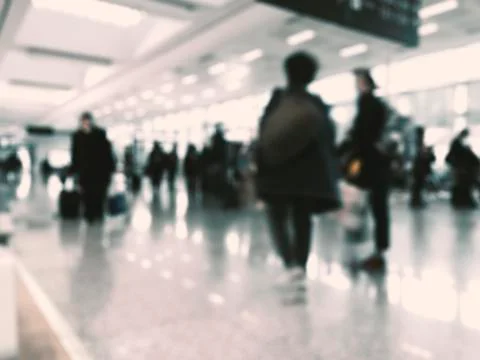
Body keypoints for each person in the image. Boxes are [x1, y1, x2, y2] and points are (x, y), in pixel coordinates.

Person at [256, 52, 340, 287]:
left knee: (276, 217)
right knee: (302, 219)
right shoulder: (317, 106)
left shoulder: (277, 101)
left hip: (278, 173)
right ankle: (299, 267)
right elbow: (329, 143)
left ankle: (289, 262)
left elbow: (263, 136)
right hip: (307, 177)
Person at [340, 68, 391, 270]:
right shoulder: (373, 105)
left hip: (368, 164)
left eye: (359, 81)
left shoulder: (369, 104)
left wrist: (343, 154)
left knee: (363, 207)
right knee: (374, 208)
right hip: (373, 164)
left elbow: (361, 136)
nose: (356, 85)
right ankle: (375, 250)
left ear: (366, 83)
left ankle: (371, 251)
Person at [70, 112, 115, 223]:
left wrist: (110, 169)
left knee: (99, 194)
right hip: (85, 172)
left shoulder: (100, 134)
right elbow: (75, 155)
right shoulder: (77, 136)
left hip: (100, 172)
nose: (86, 124)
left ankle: (98, 214)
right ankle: (90, 215)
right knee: (87, 194)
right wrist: (73, 170)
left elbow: (107, 154)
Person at [446, 129, 479, 208]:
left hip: (460, 168)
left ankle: (460, 201)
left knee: (460, 184)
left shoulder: (457, 143)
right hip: (462, 168)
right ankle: (462, 201)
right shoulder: (458, 144)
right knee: (463, 185)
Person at [411, 127, 435, 208]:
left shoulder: (417, 142)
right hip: (420, 168)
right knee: (418, 185)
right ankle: (416, 201)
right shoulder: (418, 142)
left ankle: (416, 200)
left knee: (417, 185)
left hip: (418, 168)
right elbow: (421, 155)